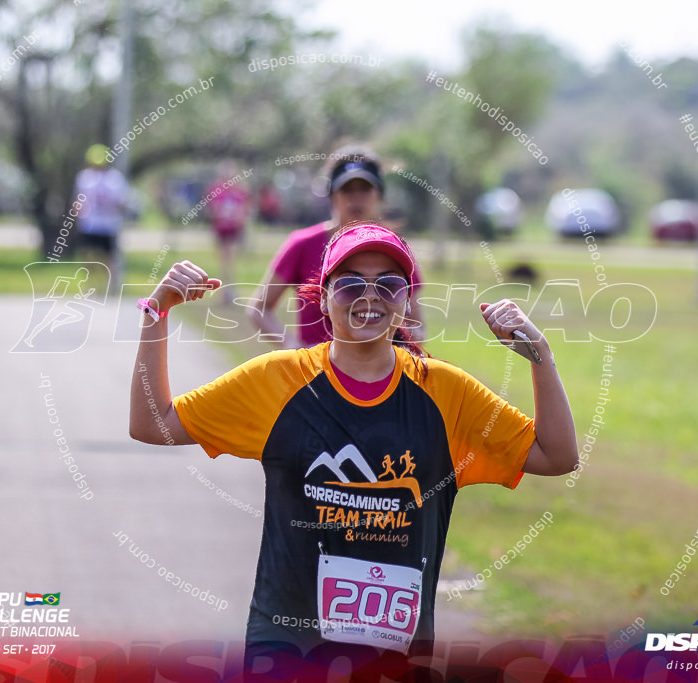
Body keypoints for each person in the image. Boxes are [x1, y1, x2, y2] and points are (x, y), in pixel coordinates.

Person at [129, 222, 578, 676]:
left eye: (389, 284)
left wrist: (540, 354)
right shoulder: (276, 380)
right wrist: (157, 311)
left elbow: (556, 456)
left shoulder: (445, 391)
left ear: (406, 300)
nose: (370, 296)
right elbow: (152, 423)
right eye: (348, 285)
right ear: (321, 299)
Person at [248, 144, 425, 348]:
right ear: (332, 195)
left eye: (365, 190)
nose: (356, 199)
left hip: (377, 375)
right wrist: (293, 347)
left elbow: (416, 324)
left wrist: (402, 347)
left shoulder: (394, 249)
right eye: (347, 190)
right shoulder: (302, 244)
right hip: (316, 375)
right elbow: (259, 308)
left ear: (380, 195)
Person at [74, 144, 130, 290]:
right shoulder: (85, 177)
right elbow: (80, 201)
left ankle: (109, 286)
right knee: (90, 256)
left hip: (107, 225)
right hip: (91, 224)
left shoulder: (114, 179)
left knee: (108, 257)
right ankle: (92, 284)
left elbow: (122, 203)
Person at [204, 162, 250, 300]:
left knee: (230, 259)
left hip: (233, 229)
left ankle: (229, 290)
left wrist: (237, 218)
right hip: (221, 229)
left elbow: (244, 211)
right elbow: (212, 209)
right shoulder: (216, 190)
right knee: (224, 260)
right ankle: (226, 290)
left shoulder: (240, 192)